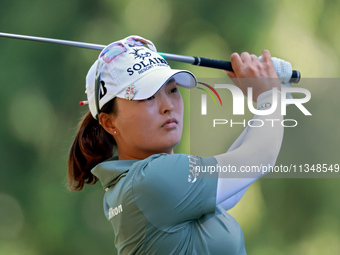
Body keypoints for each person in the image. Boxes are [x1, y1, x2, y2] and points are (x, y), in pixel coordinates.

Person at [68, 35, 284, 255]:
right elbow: (259, 157)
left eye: (172, 90)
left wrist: (267, 98)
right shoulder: (152, 180)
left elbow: (236, 180)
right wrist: (269, 94)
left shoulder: (136, 184)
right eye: (148, 96)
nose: (168, 106)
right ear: (109, 122)